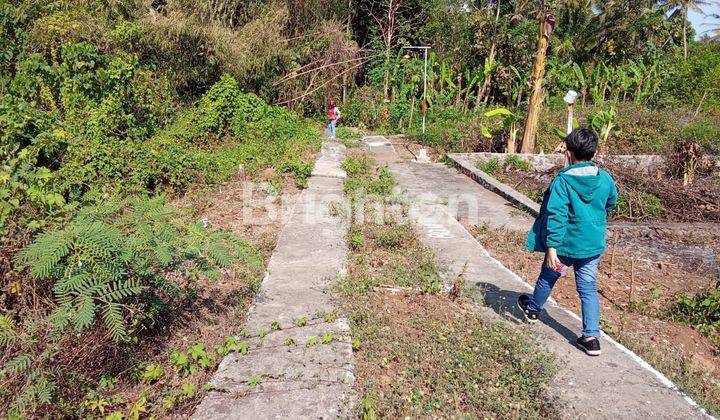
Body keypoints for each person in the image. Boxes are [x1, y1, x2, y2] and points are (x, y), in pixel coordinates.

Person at [517, 128, 618, 356]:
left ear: (569, 152)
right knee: (588, 289)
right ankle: (591, 337)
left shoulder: (563, 181)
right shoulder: (605, 179)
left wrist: (552, 247)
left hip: (564, 246)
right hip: (591, 247)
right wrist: (594, 220)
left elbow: (557, 214)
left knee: (548, 277)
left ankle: (533, 310)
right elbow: (611, 202)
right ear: (594, 152)